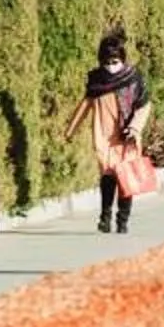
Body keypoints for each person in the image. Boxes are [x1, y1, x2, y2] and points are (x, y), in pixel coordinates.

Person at [66, 29, 150, 234]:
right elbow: (84, 106)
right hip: (104, 137)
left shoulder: (134, 78)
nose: (112, 67)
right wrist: (70, 131)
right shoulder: (96, 81)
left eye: (115, 61)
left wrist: (135, 127)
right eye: (108, 62)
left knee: (126, 179)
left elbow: (144, 106)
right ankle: (105, 217)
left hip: (127, 137)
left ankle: (122, 220)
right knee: (108, 177)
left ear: (122, 59)